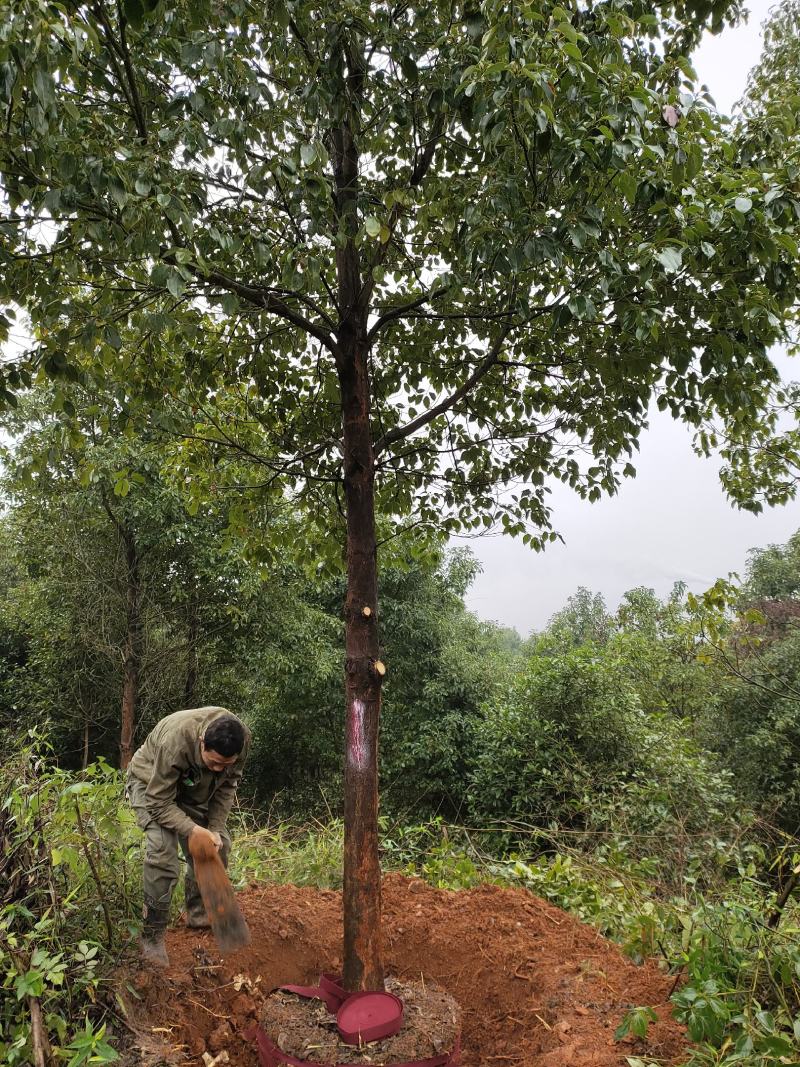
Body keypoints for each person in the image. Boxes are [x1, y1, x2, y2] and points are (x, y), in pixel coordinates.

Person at [125, 706, 251, 966]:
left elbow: (227, 787)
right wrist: (193, 830)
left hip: (191, 788)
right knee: (162, 852)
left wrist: (214, 828)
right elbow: (158, 802)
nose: (218, 769)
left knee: (219, 844)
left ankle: (199, 914)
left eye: (224, 765)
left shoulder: (241, 739)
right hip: (150, 784)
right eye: (214, 762)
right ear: (202, 742)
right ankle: (152, 937)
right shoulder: (177, 740)